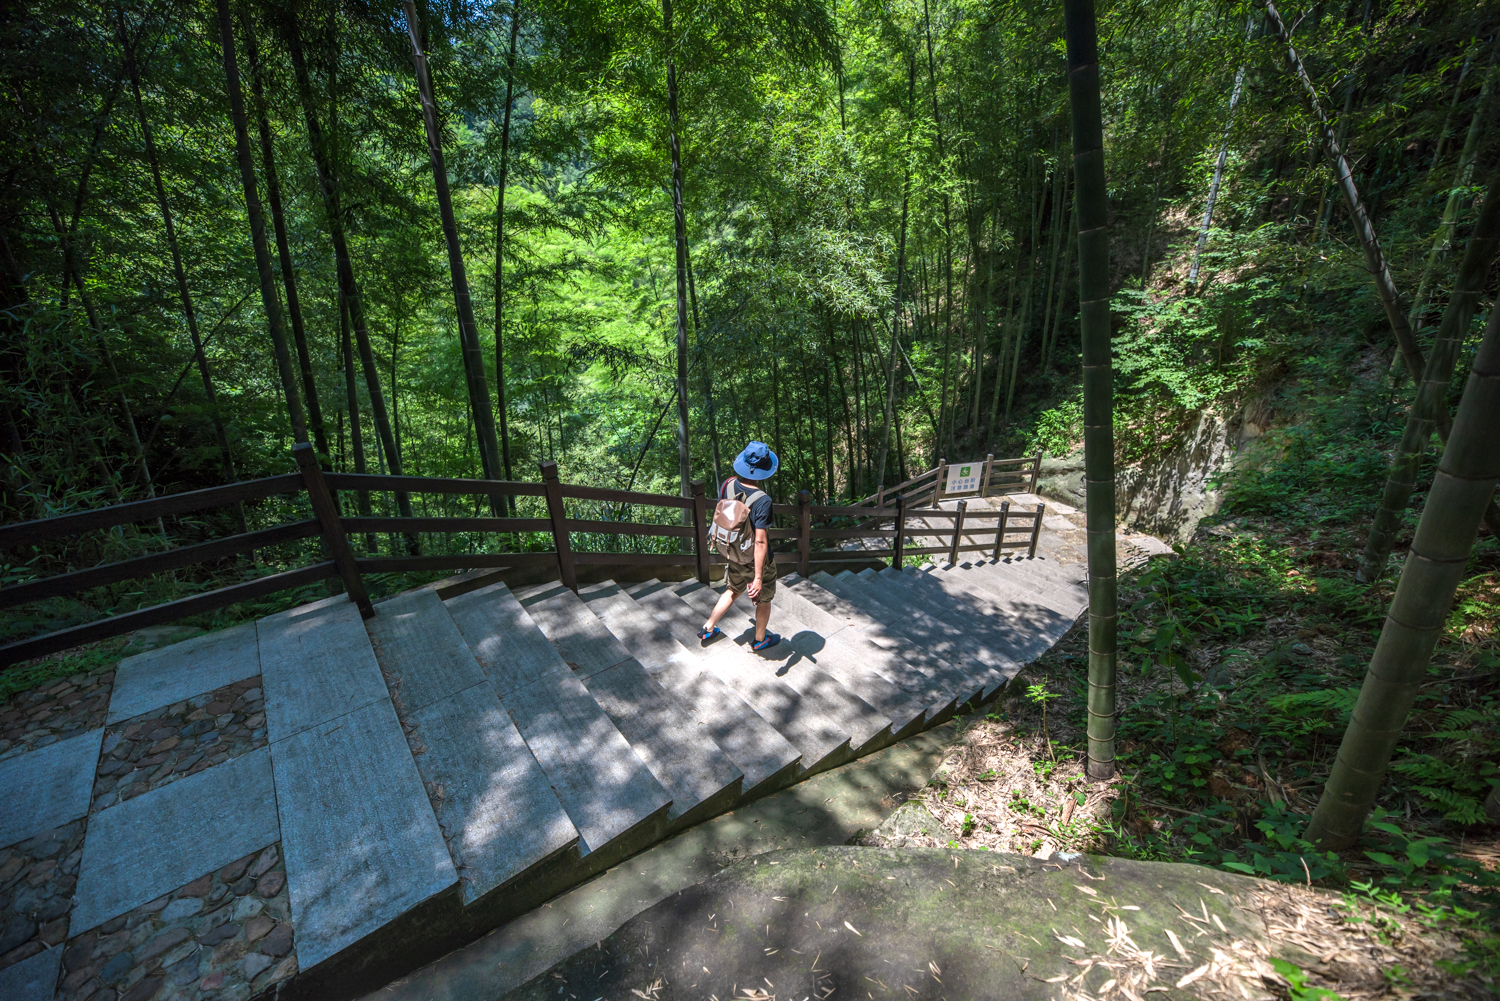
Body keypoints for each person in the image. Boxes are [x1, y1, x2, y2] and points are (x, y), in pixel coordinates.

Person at [699, 441, 780, 651]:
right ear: (764, 469)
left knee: (733, 589)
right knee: (763, 599)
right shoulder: (763, 501)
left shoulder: (728, 484)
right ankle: (760, 639)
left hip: (732, 551)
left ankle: (708, 626)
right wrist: (758, 578)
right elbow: (761, 541)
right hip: (755, 560)